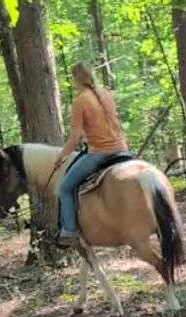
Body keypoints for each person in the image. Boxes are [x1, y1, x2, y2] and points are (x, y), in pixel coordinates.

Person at [53, 61, 130, 247]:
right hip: (123, 150)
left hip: (100, 154)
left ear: (76, 79)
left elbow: (76, 137)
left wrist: (61, 156)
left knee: (64, 189)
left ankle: (69, 231)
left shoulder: (80, 101)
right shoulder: (106, 94)